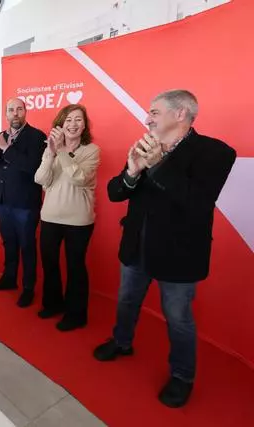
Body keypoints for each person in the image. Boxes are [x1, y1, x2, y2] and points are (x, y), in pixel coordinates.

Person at [93, 90, 236, 408]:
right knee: (126, 301)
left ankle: (182, 376)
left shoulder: (216, 152)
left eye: (154, 112)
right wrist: (132, 172)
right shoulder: (145, 146)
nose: (147, 118)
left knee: (178, 317)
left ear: (181, 113)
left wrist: (157, 165)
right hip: (136, 248)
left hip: (179, 255)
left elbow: (197, 203)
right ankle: (122, 341)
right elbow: (116, 193)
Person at [34, 104, 100, 331]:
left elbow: (79, 178)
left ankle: (76, 315)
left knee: (75, 267)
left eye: (78, 120)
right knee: (49, 263)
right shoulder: (51, 148)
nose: (73, 124)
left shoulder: (91, 150)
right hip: (50, 217)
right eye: (68, 120)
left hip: (78, 221)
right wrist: (51, 153)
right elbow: (40, 179)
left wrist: (61, 150)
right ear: (60, 125)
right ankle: (53, 304)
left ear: (85, 125)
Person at [0, 97, 46, 307]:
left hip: (25, 203)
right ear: (6, 114)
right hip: (4, 200)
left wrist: (6, 148)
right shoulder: (1, 136)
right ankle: (9, 278)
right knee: (9, 242)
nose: (15, 113)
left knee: (27, 245)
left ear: (25, 111)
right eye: (11, 110)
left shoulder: (37, 136)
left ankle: (28, 287)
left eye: (19, 109)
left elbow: (33, 167)